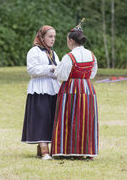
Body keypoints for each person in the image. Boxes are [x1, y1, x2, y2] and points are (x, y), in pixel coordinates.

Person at [51, 20, 98, 159]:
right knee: (86, 119)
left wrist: (56, 71)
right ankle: (86, 151)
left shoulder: (69, 56)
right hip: (88, 89)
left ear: (71, 40)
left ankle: (68, 150)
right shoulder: (92, 55)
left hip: (71, 90)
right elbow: (93, 74)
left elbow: (62, 76)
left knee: (69, 119)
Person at [21, 25, 60, 160]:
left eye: (54, 37)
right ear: (42, 37)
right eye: (50, 36)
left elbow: (58, 71)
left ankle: (43, 149)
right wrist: (50, 68)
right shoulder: (34, 51)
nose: (53, 39)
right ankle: (44, 151)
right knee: (41, 119)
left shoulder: (53, 53)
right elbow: (32, 70)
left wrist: (58, 71)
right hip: (39, 89)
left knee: (50, 120)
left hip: (53, 89)